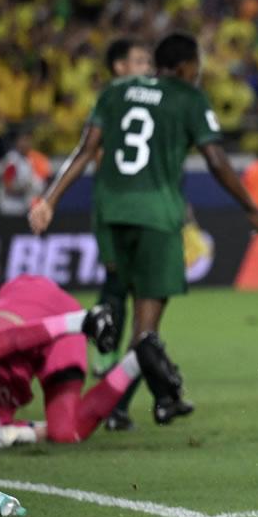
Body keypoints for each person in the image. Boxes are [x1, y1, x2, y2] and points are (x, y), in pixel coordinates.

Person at [29, 33, 258, 423]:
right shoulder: (189, 98)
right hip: (156, 214)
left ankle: (144, 393)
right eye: (198, 66)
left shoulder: (116, 91)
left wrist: (50, 200)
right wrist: (250, 208)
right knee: (146, 328)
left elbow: (85, 150)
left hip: (108, 211)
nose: (200, 73)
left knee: (115, 294)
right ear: (185, 67)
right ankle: (137, 400)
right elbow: (216, 159)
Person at [0, 275, 184, 453]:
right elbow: (40, 429)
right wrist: (22, 435)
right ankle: (139, 358)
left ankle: (85, 321)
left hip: (26, 308)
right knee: (65, 432)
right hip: (50, 343)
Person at [92, 37, 153, 426]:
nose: (146, 67)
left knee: (143, 322)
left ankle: (116, 402)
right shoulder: (113, 103)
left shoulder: (148, 106)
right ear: (118, 67)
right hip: (119, 219)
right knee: (113, 316)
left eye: (149, 61)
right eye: (138, 60)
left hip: (147, 220)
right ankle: (107, 393)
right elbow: (101, 168)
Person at [0, 127, 48, 215]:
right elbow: (8, 187)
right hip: (10, 205)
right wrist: (27, 188)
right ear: (17, 142)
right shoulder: (12, 159)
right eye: (24, 140)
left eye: (29, 141)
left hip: (23, 205)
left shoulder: (28, 160)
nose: (26, 144)